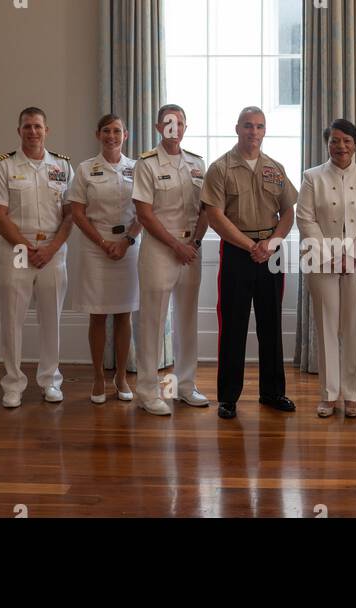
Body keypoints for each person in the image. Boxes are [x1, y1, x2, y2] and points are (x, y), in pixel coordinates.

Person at [202, 106, 298, 420]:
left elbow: (288, 212)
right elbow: (215, 216)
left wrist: (271, 244)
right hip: (237, 251)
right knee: (233, 325)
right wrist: (250, 246)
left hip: (271, 252)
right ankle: (228, 397)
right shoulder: (220, 168)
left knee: (271, 323)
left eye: (259, 126)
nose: (253, 132)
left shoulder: (275, 168)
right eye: (247, 125)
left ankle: (273, 392)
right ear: (237, 128)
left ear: (264, 131)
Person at [0, 107, 74, 409]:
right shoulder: (4, 166)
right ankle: (13, 384)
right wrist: (27, 247)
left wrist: (50, 249)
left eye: (38, 126)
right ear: (19, 130)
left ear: (46, 130)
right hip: (18, 251)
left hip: (53, 251)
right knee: (12, 319)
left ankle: (51, 381)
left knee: (52, 320)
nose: (33, 132)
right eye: (27, 127)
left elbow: (71, 215)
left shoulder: (63, 166)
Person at [295, 118, 356, 418]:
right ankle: (329, 395)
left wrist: (352, 256)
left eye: (346, 140)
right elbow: (305, 219)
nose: (340, 146)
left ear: (355, 144)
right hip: (321, 261)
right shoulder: (312, 177)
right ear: (327, 144)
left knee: (354, 327)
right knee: (327, 327)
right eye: (334, 141)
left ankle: (352, 394)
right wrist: (332, 256)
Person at [132, 104, 211, 416]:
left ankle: (185, 386)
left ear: (185, 127)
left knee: (186, 320)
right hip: (160, 249)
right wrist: (176, 246)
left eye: (178, 123)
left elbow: (206, 209)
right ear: (158, 127)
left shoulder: (197, 163)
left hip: (191, 248)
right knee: (152, 321)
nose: (173, 128)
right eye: (167, 123)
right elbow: (144, 213)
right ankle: (148, 391)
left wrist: (194, 243)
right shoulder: (147, 163)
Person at [67, 114, 142, 404]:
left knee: (124, 315)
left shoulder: (137, 168)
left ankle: (121, 376)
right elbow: (77, 212)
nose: (112, 136)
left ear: (126, 135)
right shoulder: (85, 169)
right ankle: (98, 376)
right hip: (94, 246)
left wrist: (126, 241)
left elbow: (144, 211)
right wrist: (103, 242)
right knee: (97, 315)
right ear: (98, 134)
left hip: (129, 246)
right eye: (107, 131)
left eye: (117, 131)